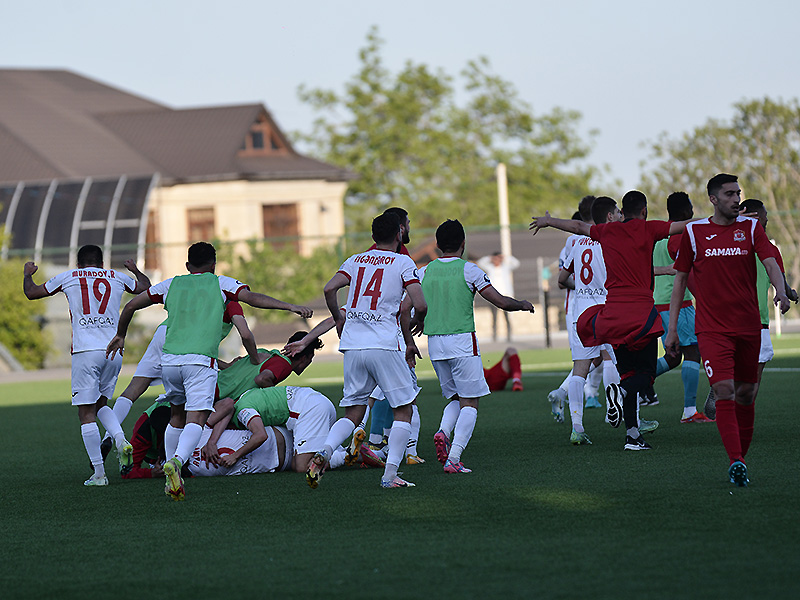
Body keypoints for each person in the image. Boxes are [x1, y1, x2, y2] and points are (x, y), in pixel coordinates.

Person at [106, 241, 313, 500]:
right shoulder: (221, 283)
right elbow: (253, 299)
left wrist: (120, 335)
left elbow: (130, 306)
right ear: (213, 265)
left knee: (176, 417)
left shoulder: (172, 283)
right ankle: (178, 462)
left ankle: (171, 468)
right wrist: (289, 307)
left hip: (170, 363)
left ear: (187, 265)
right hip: (199, 363)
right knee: (196, 419)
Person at [531, 191, 690, 451]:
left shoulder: (602, 235)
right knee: (644, 374)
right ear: (644, 210)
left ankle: (630, 436)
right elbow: (684, 224)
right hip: (639, 314)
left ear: (623, 211)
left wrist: (549, 222)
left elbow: (577, 227)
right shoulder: (647, 229)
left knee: (611, 371)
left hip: (604, 316)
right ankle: (623, 393)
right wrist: (720, 219)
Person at [665, 174, 792, 486]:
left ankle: (741, 458)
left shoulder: (750, 228)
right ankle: (735, 460)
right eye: (730, 194)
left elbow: (770, 262)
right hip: (712, 330)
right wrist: (671, 330)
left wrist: (781, 291)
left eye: (738, 193)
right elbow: (680, 279)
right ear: (713, 199)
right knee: (724, 391)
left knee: (747, 395)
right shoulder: (694, 232)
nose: (736, 199)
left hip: (749, 327)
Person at [307, 212, 427, 489]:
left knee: (353, 413)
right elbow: (419, 304)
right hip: (384, 344)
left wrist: (339, 317)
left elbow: (329, 288)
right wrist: (418, 323)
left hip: (352, 346)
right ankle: (390, 476)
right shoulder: (403, 262)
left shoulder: (355, 259)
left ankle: (325, 450)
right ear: (399, 232)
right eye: (406, 226)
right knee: (404, 410)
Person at [23, 245, 151, 486]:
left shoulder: (69, 276)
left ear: (79, 264)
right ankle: (121, 440)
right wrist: (135, 270)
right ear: (102, 264)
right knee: (102, 403)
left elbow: (32, 293)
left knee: (85, 412)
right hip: (114, 350)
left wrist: (27, 274)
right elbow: (145, 288)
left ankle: (100, 474)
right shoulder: (116, 276)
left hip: (85, 351)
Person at [413, 219, 534, 473]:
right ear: (463, 243)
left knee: (456, 398)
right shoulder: (469, 270)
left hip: (435, 344)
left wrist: (416, 322)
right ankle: (454, 458)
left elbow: (412, 306)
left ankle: (444, 432)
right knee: (470, 402)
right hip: (462, 343)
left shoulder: (424, 271)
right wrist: (521, 303)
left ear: (437, 244)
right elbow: (498, 300)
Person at [97, 298, 256, 463]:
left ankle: (110, 436)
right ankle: (175, 463)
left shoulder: (198, 294)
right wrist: (255, 358)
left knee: (133, 390)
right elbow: (240, 335)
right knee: (181, 412)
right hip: (183, 343)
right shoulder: (230, 303)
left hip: (164, 332)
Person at [557, 197, 623, 445]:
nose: (619, 215)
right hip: (606, 309)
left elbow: (563, 279)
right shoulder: (611, 242)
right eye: (617, 212)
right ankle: (612, 409)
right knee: (611, 359)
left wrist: (584, 287)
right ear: (608, 216)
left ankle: (577, 428)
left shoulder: (576, 243)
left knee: (580, 369)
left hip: (581, 312)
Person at [651, 192, 711, 423]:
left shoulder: (657, 235)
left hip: (658, 301)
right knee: (693, 351)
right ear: (685, 211)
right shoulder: (678, 236)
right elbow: (688, 271)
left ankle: (630, 385)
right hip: (678, 303)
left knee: (674, 357)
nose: (693, 211)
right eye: (691, 207)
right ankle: (689, 411)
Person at [548, 196, 605, 417]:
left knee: (588, 359)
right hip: (598, 304)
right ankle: (621, 410)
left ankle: (570, 405)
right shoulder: (601, 239)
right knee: (607, 357)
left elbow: (562, 279)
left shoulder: (571, 243)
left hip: (576, 307)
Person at [477, 252, 521, 341]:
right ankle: (494, 335)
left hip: (505, 295)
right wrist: (490, 258)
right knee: (494, 317)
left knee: (506, 316)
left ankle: (509, 335)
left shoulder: (505, 267)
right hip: (494, 296)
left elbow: (516, 263)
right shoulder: (490, 268)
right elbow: (480, 263)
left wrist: (506, 257)